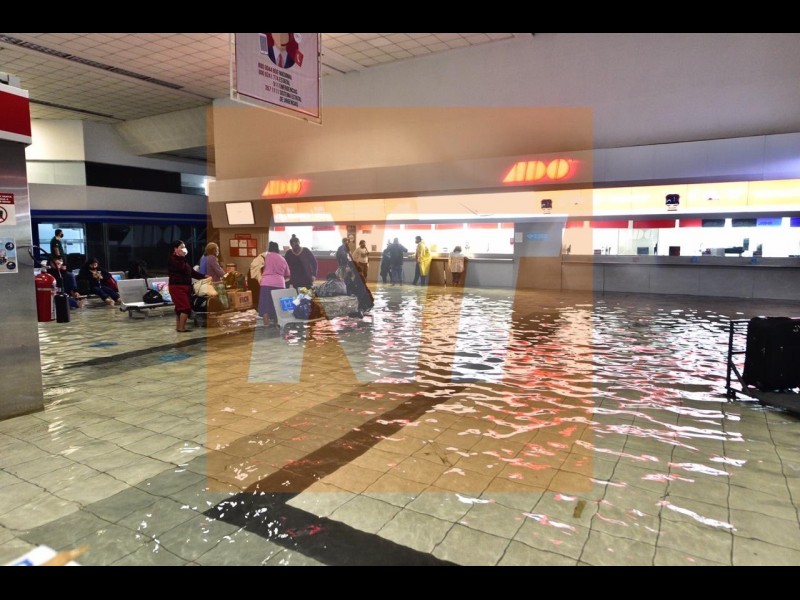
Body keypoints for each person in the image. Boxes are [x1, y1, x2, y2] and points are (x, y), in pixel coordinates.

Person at [168, 240, 209, 332]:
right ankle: (181, 328)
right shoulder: (173, 259)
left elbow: (191, 272)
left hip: (185, 287)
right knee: (185, 308)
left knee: (180, 308)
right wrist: (181, 256)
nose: (184, 249)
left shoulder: (183, 260)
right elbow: (180, 268)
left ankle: (179, 327)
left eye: (184, 247)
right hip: (177, 287)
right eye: (182, 247)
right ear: (175, 249)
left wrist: (204, 276)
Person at [257, 241, 291, 326]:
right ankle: (277, 324)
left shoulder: (264, 256)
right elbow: (288, 274)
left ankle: (266, 325)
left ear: (269, 248)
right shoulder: (282, 259)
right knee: (278, 306)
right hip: (280, 284)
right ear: (277, 249)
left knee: (265, 306)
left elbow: (257, 269)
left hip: (266, 283)